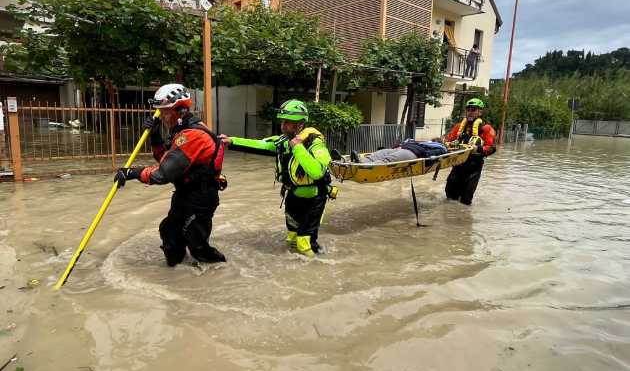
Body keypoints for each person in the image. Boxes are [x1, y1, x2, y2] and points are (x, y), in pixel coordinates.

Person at [114, 83, 227, 266]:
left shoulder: (192, 135)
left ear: (180, 111)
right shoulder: (180, 132)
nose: (162, 117)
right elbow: (164, 159)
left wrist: (132, 172)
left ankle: (221, 272)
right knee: (169, 234)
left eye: (165, 112)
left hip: (200, 198)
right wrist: (155, 135)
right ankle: (176, 275)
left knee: (198, 246)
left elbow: (162, 174)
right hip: (184, 194)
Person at [219, 99, 333, 258]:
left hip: (314, 197)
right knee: (291, 238)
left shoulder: (316, 144)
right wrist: (232, 141)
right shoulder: (283, 142)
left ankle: (315, 268)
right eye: (282, 122)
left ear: (300, 124)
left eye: (287, 122)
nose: (283, 125)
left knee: (304, 242)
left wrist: (298, 147)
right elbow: (260, 145)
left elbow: (317, 172)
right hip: (293, 195)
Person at [443, 98, 496, 205]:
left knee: (466, 200)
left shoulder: (486, 129)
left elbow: (491, 148)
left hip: (474, 167)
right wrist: (444, 143)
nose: (470, 112)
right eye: (468, 109)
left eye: (473, 109)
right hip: (458, 164)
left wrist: (478, 149)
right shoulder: (459, 127)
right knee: (450, 195)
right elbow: (449, 140)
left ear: (480, 112)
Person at [332, 140, 448, 164]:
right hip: (399, 149)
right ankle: (351, 161)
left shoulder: (439, 146)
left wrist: (423, 157)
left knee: (385, 161)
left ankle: (362, 166)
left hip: (413, 154)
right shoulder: (417, 141)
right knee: (377, 154)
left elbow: (440, 153)